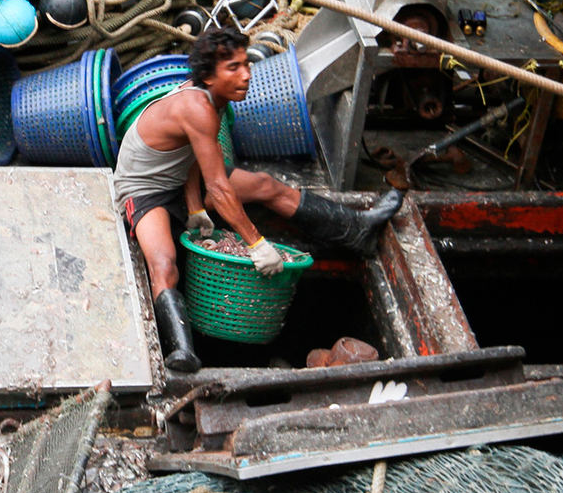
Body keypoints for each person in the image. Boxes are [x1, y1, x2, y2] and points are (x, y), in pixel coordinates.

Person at [114, 26, 403, 372]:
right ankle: (180, 353)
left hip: (176, 181)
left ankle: (357, 228)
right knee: (164, 265)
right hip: (143, 190)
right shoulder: (196, 107)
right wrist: (257, 243)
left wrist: (194, 208)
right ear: (208, 75)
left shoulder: (214, 101)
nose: (246, 74)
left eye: (245, 64)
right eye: (233, 68)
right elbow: (219, 190)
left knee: (267, 185)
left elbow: (194, 157)